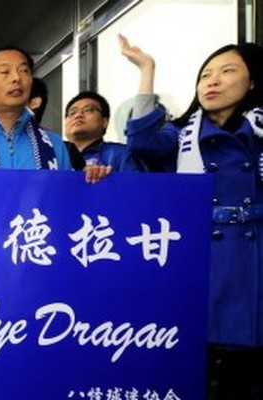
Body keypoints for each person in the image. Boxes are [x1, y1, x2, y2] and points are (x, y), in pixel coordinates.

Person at [121, 36, 263, 399]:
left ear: (253, 82)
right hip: (203, 265)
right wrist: (146, 70)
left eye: (227, 72)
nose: (212, 81)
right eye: (205, 75)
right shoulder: (182, 135)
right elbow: (141, 143)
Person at [64, 91, 144, 172]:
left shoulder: (120, 154)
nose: (78, 115)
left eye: (88, 110)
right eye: (72, 113)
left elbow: (135, 183)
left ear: (105, 122)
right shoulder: (56, 156)